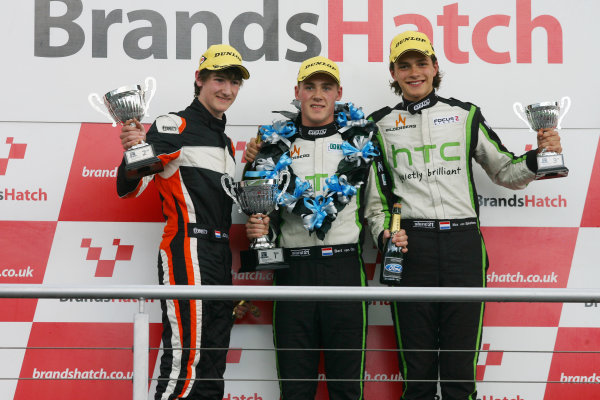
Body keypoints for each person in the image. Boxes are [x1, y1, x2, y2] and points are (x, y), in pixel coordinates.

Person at [367, 31, 563, 400]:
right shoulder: (377, 126)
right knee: (417, 375)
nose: (414, 72)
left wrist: (539, 156)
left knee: (460, 373)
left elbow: (505, 171)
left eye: (421, 63)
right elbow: (375, 204)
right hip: (411, 249)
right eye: (404, 65)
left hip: (463, 247)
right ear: (393, 73)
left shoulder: (464, 114)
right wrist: (384, 235)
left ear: (435, 67)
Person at [244, 56, 407, 400]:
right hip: (292, 271)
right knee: (295, 386)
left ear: (338, 94)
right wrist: (262, 232)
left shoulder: (361, 143)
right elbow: (265, 214)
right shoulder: (273, 146)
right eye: (310, 87)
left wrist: (386, 235)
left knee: (347, 387)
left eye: (326, 87)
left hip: (344, 269)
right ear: (297, 92)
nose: (318, 95)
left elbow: (376, 208)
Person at [116, 44, 250, 400]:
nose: (227, 90)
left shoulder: (224, 141)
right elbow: (130, 185)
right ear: (199, 80)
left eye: (234, 82)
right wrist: (133, 151)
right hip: (188, 249)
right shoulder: (174, 124)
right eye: (219, 79)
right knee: (185, 363)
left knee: (212, 367)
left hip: (219, 254)